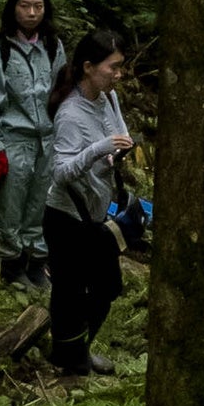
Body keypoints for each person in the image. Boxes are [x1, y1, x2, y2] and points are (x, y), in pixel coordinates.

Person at [43, 30, 134, 377]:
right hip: (66, 217)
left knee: (107, 286)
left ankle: (79, 349)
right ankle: (69, 360)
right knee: (68, 291)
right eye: (112, 67)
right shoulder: (69, 114)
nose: (118, 74)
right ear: (88, 67)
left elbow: (117, 133)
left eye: (120, 67)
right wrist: (99, 150)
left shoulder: (108, 99)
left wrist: (117, 152)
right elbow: (61, 171)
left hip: (95, 214)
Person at [0, 0, 63, 289]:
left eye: (38, 6)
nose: (31, 13)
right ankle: (10, 264)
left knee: (40, 204)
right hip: (14, 140)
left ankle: (37, 261)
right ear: (13, 9)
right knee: (10, 207)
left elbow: (61, 92)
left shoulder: (53, 47)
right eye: (24, 6)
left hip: (47, 140)